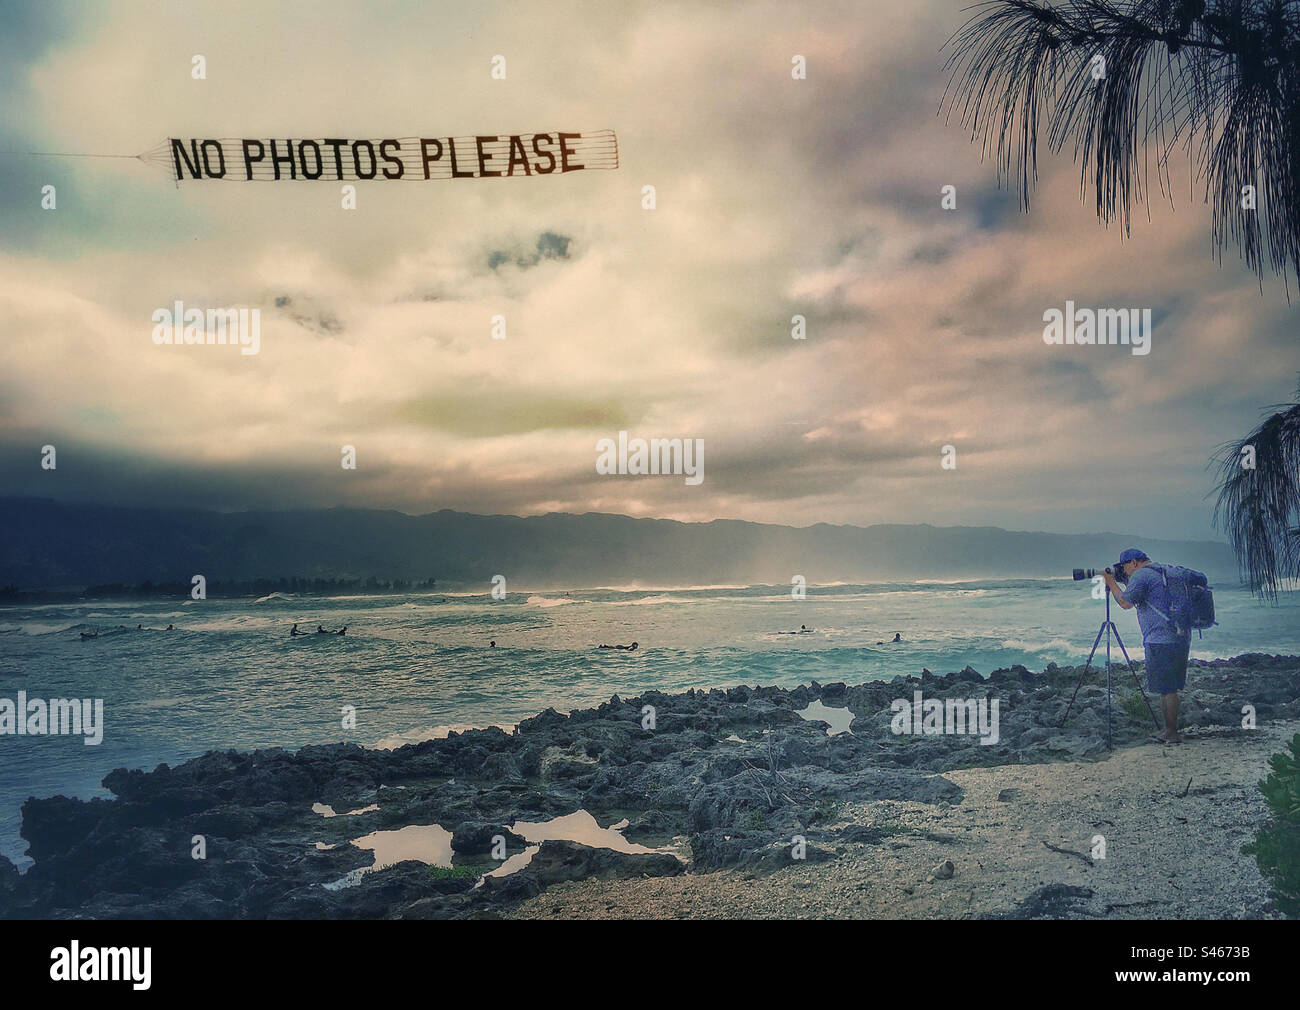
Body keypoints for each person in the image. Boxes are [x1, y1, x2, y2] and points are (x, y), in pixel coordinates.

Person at [1103, 548, 1190, 744]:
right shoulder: (1160, 572)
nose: (1124, 572)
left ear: (1133, 562)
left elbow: (1125, 602)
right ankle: (1168, 729)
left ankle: (1172, 733)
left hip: (1160, 638)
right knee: (1166, 687)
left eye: (1125, 567)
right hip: (1179, 636)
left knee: (1168, 689)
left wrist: (1110, 582)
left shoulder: (1142, 575)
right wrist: (1121, 581)